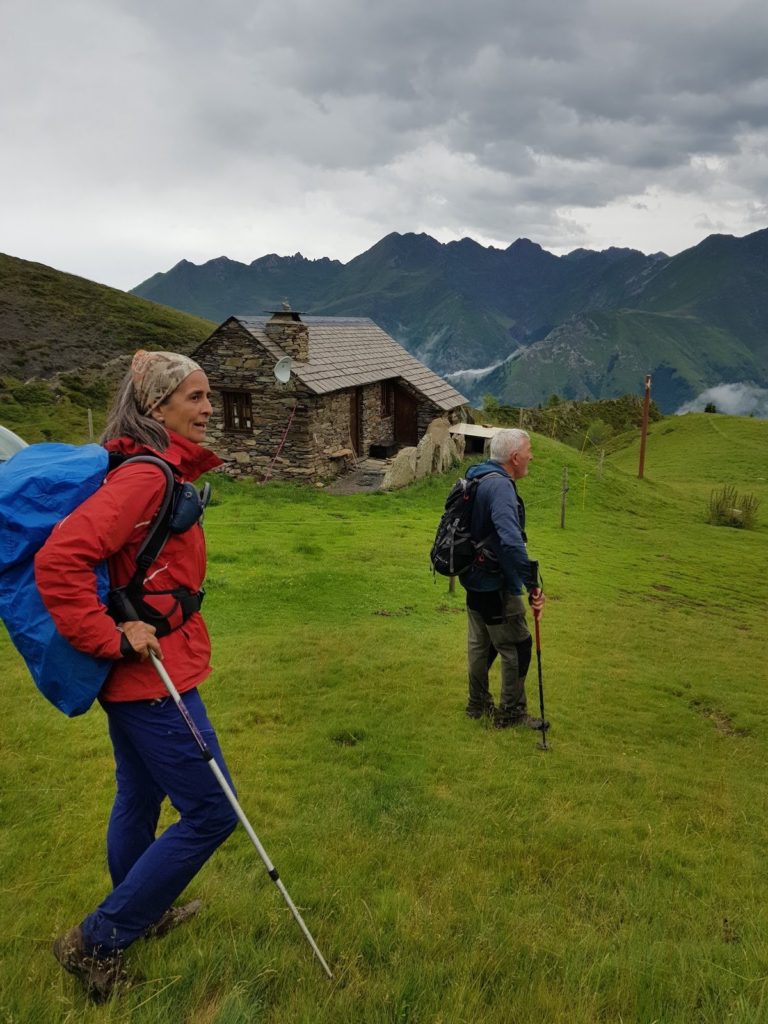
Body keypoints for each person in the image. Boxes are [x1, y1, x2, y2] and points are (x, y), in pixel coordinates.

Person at [35, 350, 238, 1002]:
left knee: (139, 798)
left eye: (209, 397)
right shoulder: (145, 478)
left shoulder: (147, 469)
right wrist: (111, 635)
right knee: (212, 810)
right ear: (157, 407)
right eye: (195, 398)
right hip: (151, 680)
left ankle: (139, 917)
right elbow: (61, 559)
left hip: (142, 677)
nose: (208, 409)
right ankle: (98, 938)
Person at [460, 428, 547, 729]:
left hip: (472, 577)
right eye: (529, 450)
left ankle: (477, 705)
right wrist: (532, 584)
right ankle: (511, 714)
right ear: (514, 457)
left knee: (481, 644)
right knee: (518, 646)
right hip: (496, 584)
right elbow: (510, 541)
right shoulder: (501, 489)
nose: (531, 456)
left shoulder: (478, 476)